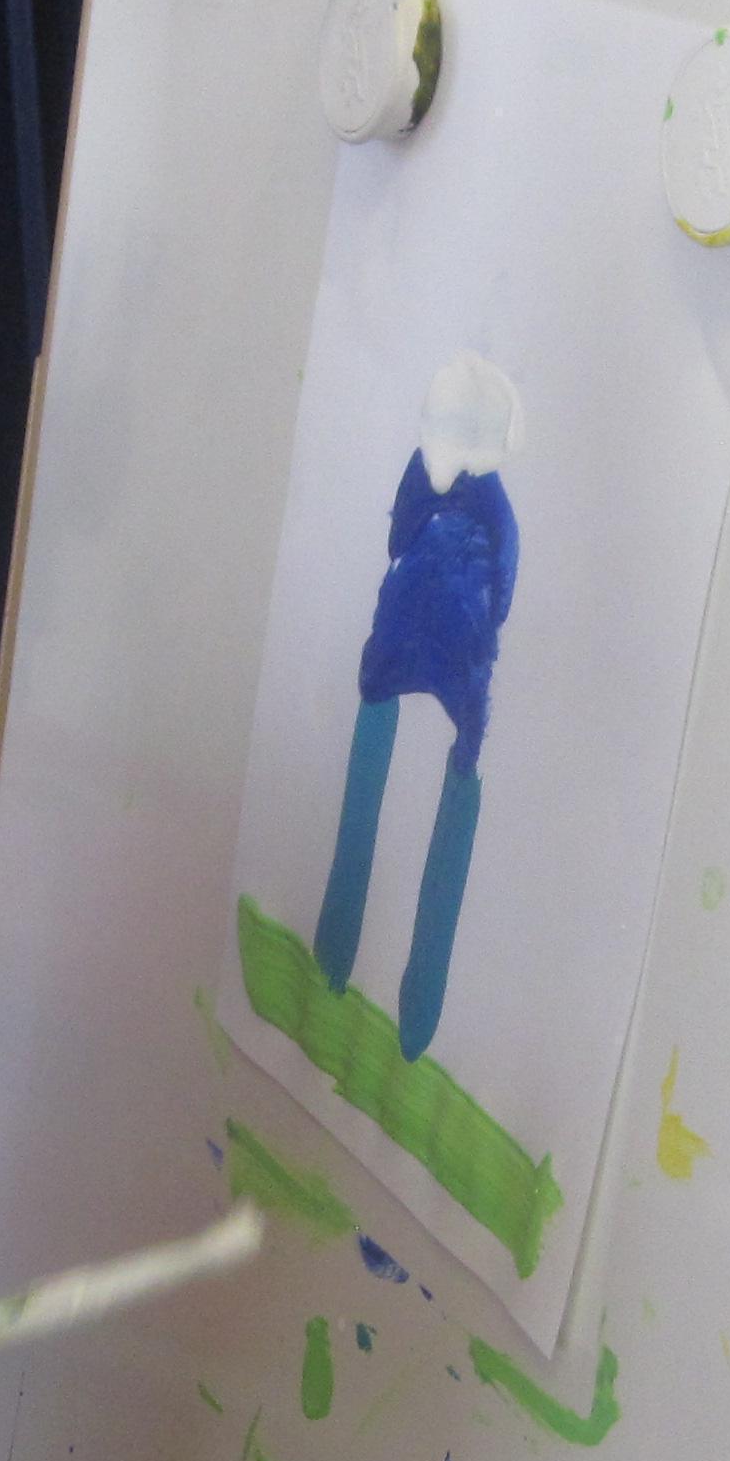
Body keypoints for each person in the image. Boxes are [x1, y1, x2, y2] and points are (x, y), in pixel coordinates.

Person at [311, 351, 522, 1059]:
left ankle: (375, 987)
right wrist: (481, 617)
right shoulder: (490, 503)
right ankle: (364, 979)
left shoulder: (445, 485)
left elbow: (400, 534)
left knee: (427, 761)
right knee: (436, 759)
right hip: (446, 639)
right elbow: (504, 579)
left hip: (421, 630)